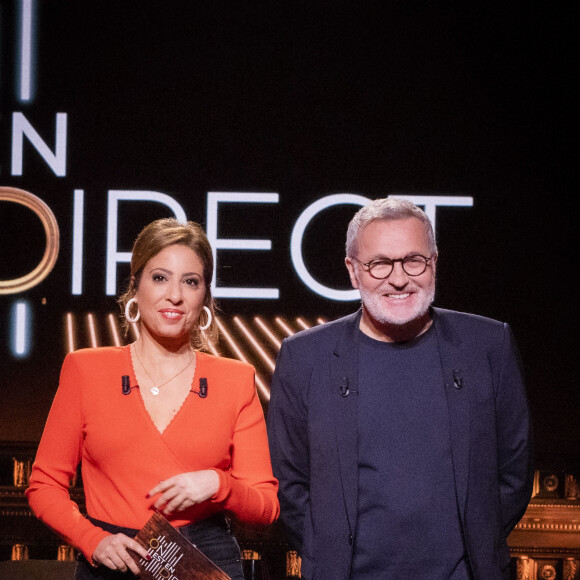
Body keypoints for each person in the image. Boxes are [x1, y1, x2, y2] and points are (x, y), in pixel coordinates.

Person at [267, 198, 533, 579]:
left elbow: (514, 472)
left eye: (413, 260)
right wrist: (327, 551)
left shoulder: (488, 345)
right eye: (379, 263)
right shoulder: (305, 357)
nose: (398, 278)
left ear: (434, 263)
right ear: (353, 272)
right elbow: (288, 483)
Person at [27, 218, 279, 579]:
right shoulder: (85, 370)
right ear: (135, 287)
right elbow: (44, 486)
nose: (174, 295)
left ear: (204, 296)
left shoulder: (235, 379)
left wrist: (219, 484)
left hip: (204, 562)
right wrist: (91, 539)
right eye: (160, 277)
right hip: (113, 561)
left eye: (190, 282)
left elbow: (266, 507)